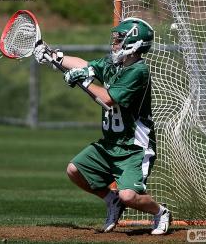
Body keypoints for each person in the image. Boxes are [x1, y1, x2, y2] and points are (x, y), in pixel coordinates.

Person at [33, 17, 171, 234]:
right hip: (110, 144)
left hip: (134, 147)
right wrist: (52, 56)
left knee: (129, 196)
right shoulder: (113, 64)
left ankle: (160, 212)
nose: (114, 44)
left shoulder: (138, 72)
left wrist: (84, 81)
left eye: (119, 40)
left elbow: (107, 98)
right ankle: (111, 200)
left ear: (134, 45)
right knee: (74, 170)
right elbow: (85, 65)